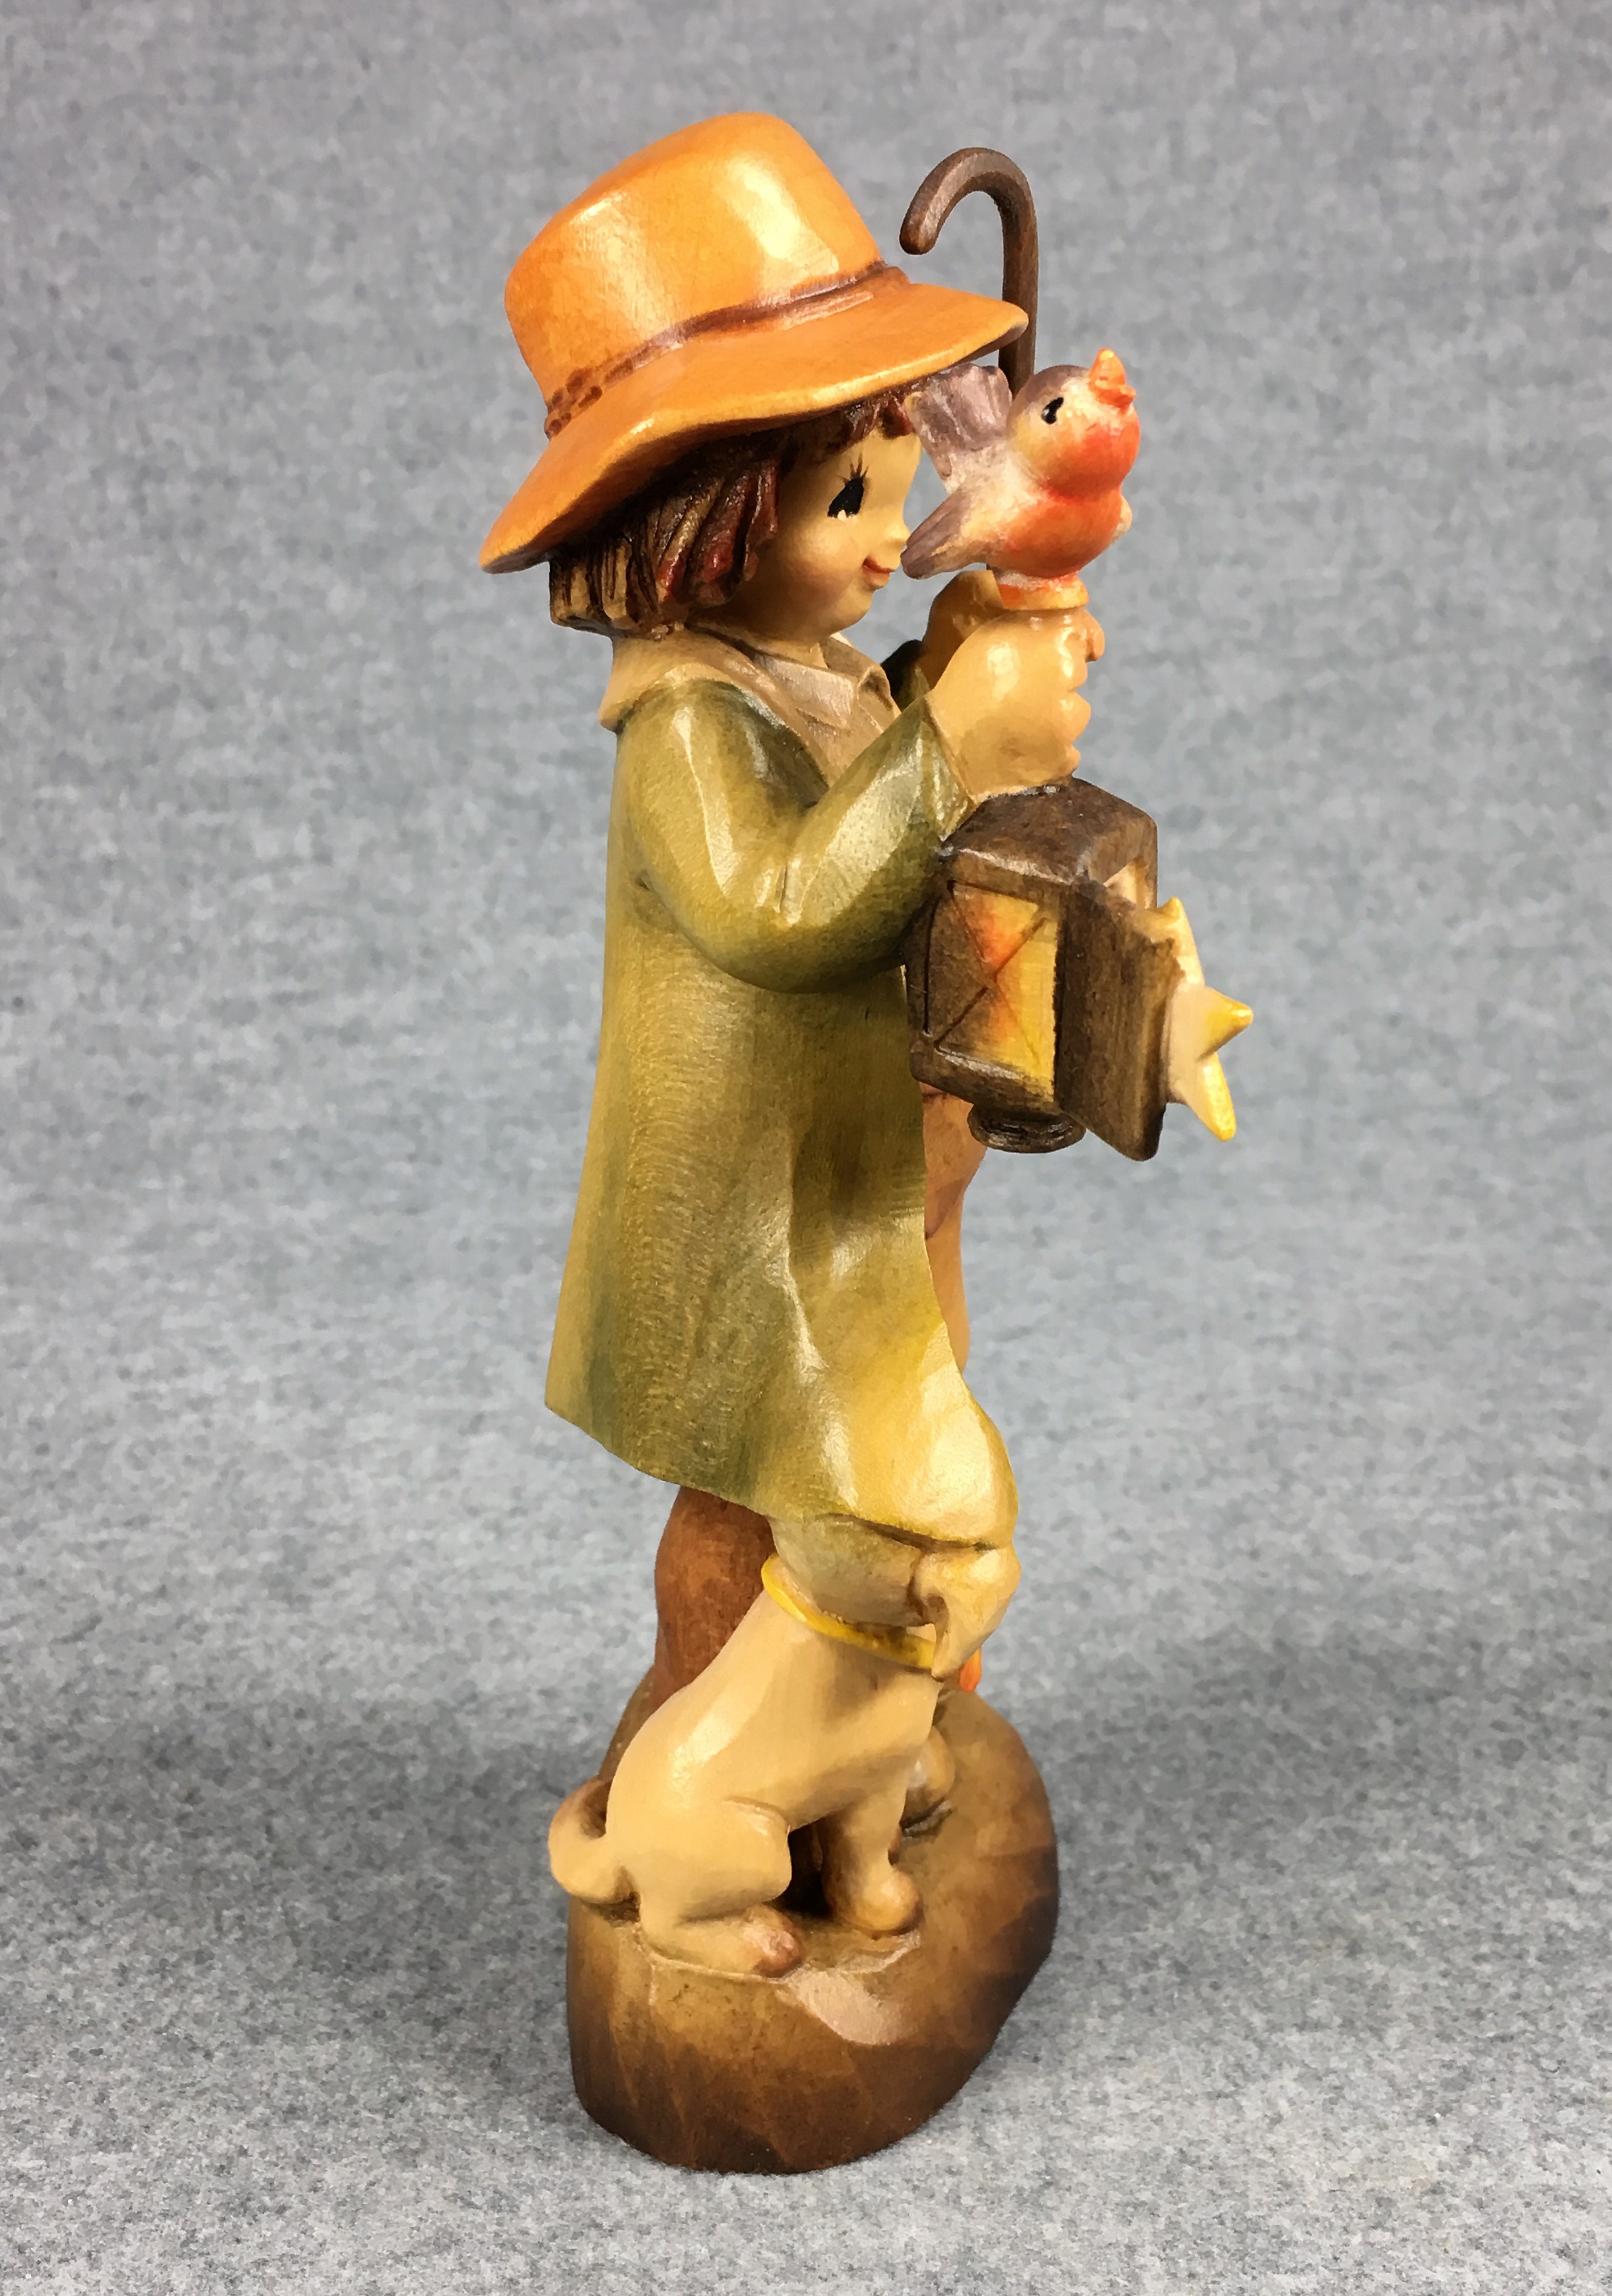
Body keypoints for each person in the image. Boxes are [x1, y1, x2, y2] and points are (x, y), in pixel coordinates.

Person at [484, 114, 1100, 1964]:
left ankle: (855, 1740)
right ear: (699, 536)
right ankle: (695, 1755)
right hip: (749, 1228)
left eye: (895, 473)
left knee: (886, 1474)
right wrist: (950, 746)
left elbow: (868, 769)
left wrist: (942, 676)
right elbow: (782, 909)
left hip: (861, 1179)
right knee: (764, 1510)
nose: (892, 531)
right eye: (849, 502)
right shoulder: (685, 729)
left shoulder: (804, 670)